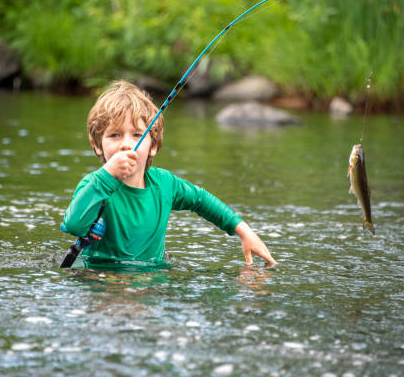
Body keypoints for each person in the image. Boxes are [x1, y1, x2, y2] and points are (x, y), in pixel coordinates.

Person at [60, 80, 276, 269]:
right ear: (97, 145)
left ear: (153, 145)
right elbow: (73, 225)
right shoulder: (94, 184)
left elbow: (201, 200)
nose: (126, 144)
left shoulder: (165, 184)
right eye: (114, 135)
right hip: (101, 278)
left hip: (151, 279)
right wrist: (106, 176)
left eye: (137, 135)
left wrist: (244, 232)